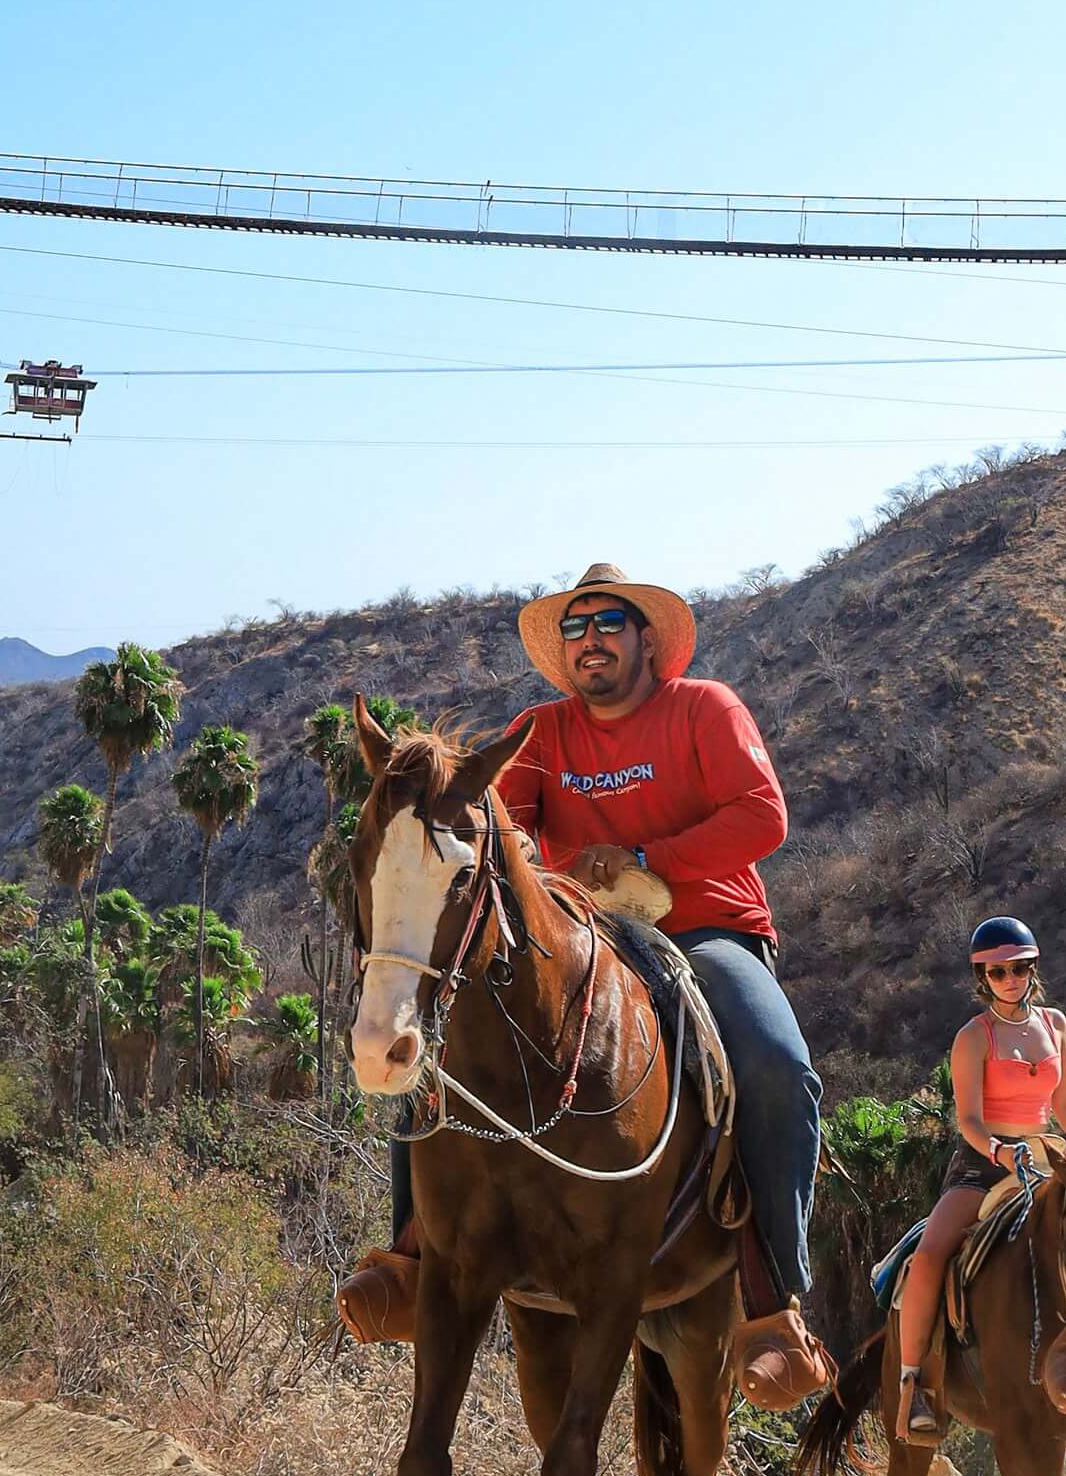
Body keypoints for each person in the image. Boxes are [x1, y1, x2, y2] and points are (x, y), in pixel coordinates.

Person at [338, 561, 824, 1344]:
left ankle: (775, 1301)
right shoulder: (542, 730)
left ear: (645, 640)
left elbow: (763, 817)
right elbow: (510, 836)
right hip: (580, 940)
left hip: (703, 931)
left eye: (607, 624)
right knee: (444, 1051)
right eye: (575, 627)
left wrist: (645, 856)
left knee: (778, 1066)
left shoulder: (704, 708)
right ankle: (410, 1258)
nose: (589, 640)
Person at [892, 917, 1066, 1444]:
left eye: (1020, 968)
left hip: (1047, 1152)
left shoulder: (1056, 1024)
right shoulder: (973, 1036)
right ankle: (916, 1383)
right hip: (984, 1162)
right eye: (998, 971)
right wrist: (1001, 1151)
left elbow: (1064, 1103)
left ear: (1034, 969)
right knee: (933, 1252)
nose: (1011, 979)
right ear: (982, 977)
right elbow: (969, 1120)